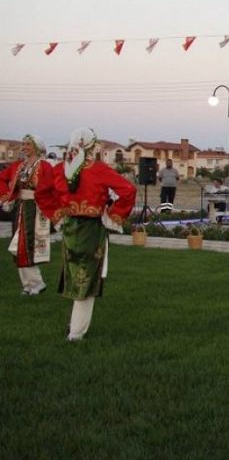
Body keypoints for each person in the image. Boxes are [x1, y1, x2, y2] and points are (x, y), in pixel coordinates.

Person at [35, 128, 136, 341]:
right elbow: (128, 190)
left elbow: (42, 193)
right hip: (92, 229)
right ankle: (76, 332)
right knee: (88, 278)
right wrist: (113, 215)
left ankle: (74, 325)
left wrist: (59, 214)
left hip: (70, 228)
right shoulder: (98, 169)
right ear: (92, 146)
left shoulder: (60, 169)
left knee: (75, 272)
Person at [0, 134, 55, 295]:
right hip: (21, 207)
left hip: (35, 209)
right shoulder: (18, 166)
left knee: (25, 246)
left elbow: (53, 186)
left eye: (28, 144)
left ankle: (34, 284)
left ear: (36, 147)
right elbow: (2, 179)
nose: (24, 147)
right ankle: (31, 284)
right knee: (18, 247)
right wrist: (6, 196)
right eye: (23, 144)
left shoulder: (44, 166)